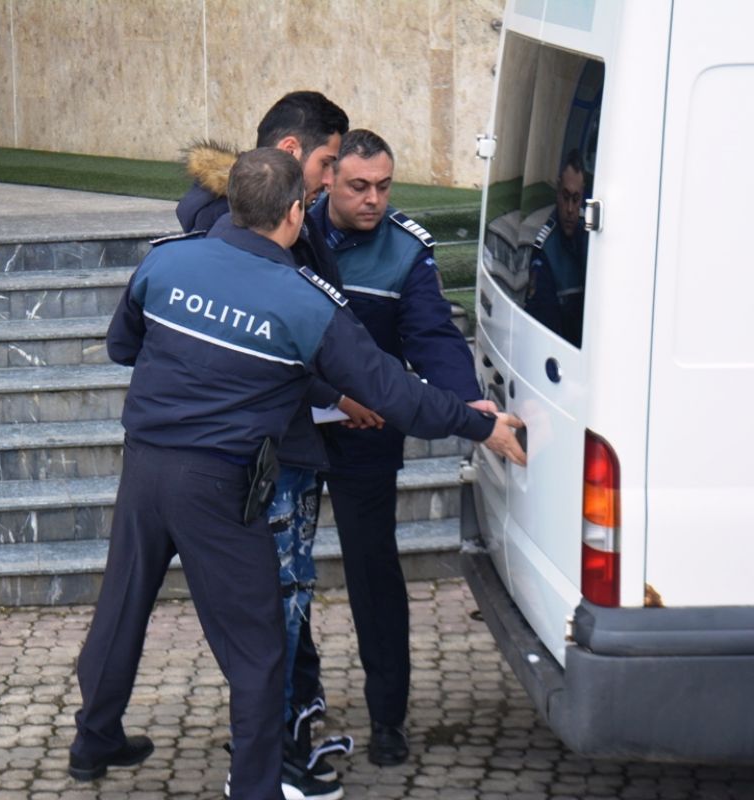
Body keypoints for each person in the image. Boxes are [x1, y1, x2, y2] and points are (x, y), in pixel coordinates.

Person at [68, 148, 526, 800]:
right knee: (258, 651)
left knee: (122, 602)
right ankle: (256, 788)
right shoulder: (304, 302)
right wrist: (479, 424)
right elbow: (391, 392)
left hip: (143, 464)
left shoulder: (166, 260)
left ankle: (93, 740)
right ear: (295, 212)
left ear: (232, 203)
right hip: (218, 485)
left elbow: (123, 347)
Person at [175, 91, 376, 793]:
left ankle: (287, 739)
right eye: (327, 163)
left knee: (289, 603)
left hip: (282, 445)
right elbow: (273, 339)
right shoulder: (235, 231)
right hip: (271, 454)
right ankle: (268, 765)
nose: (331, 179)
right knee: (280, 605)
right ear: (290, 153)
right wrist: (342, 393)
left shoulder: (267, 221)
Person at [309, 129, 497, 767]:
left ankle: (388, 717)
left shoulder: (406, 250)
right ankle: (293, 704)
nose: (373, 199)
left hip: (368, 434)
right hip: (295, 429)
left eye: (384, 187)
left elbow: (433, 335)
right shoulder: (291, 229)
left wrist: (468, 402)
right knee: (279, 570)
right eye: (359, 186)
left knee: (374, 573)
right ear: (330, 178)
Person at [524, 149, 589, 346]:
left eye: (576, 199)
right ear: (557, 192)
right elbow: (544, 326)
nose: (570, 209)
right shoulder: (545, 252)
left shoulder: (590, 236)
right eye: (565, 197)